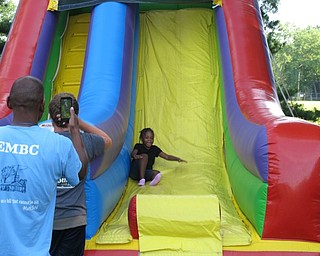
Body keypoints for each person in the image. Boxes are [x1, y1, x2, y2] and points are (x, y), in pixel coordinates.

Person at [0, 76, 88, 256]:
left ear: (9, 102)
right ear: (42, 105)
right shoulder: (59, 146)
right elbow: (79, 174)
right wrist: (74, 132)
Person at [48, 92, 112, 256]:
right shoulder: (86, 142)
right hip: (74, 220)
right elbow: (107, 140)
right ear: (74, 115)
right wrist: (78, 123)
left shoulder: (44, 142)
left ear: (50, 117)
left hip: (46, 221)